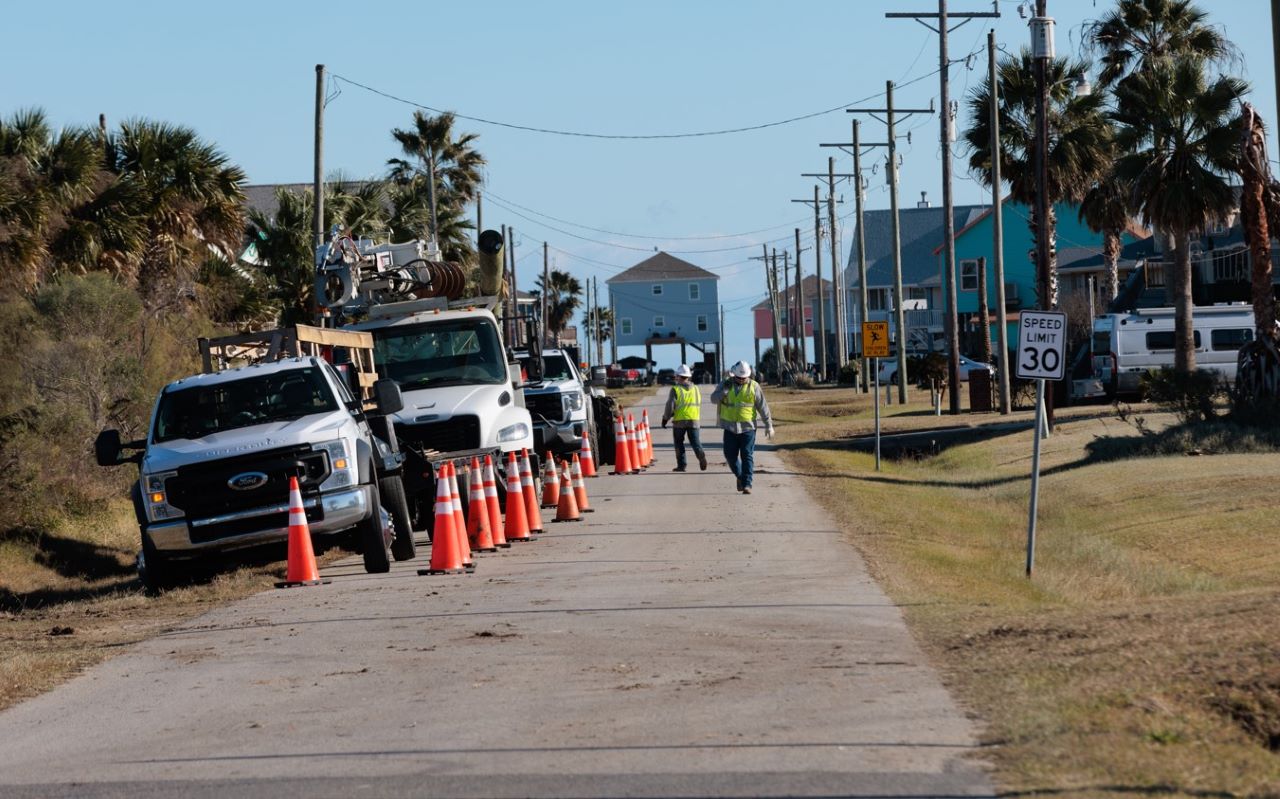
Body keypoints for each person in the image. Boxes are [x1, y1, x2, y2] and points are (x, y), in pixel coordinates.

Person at [710, 360, 773, 495]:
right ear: (734, 375)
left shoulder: (754, 386)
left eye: (744, 378)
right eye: (739, 378)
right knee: (730, 456)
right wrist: (723, 393)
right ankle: (740, 476)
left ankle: (747, 484)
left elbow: (763, 406)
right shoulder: (725, 384)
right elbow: (713, 399)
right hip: (729, 427)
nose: (741, 380)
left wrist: (769, 424)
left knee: (747, 455)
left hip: (748, 428)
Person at [660, 364, 707, 472]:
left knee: (679, 443)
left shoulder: (675, 389)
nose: (676, 378)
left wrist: (665, 419)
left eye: (677, 376)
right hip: (694, 420)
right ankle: (701, 455)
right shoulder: (695, 389)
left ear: (679, 376)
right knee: (695, 442)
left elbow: (670, 406)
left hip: (679, 421)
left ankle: (682, 465)